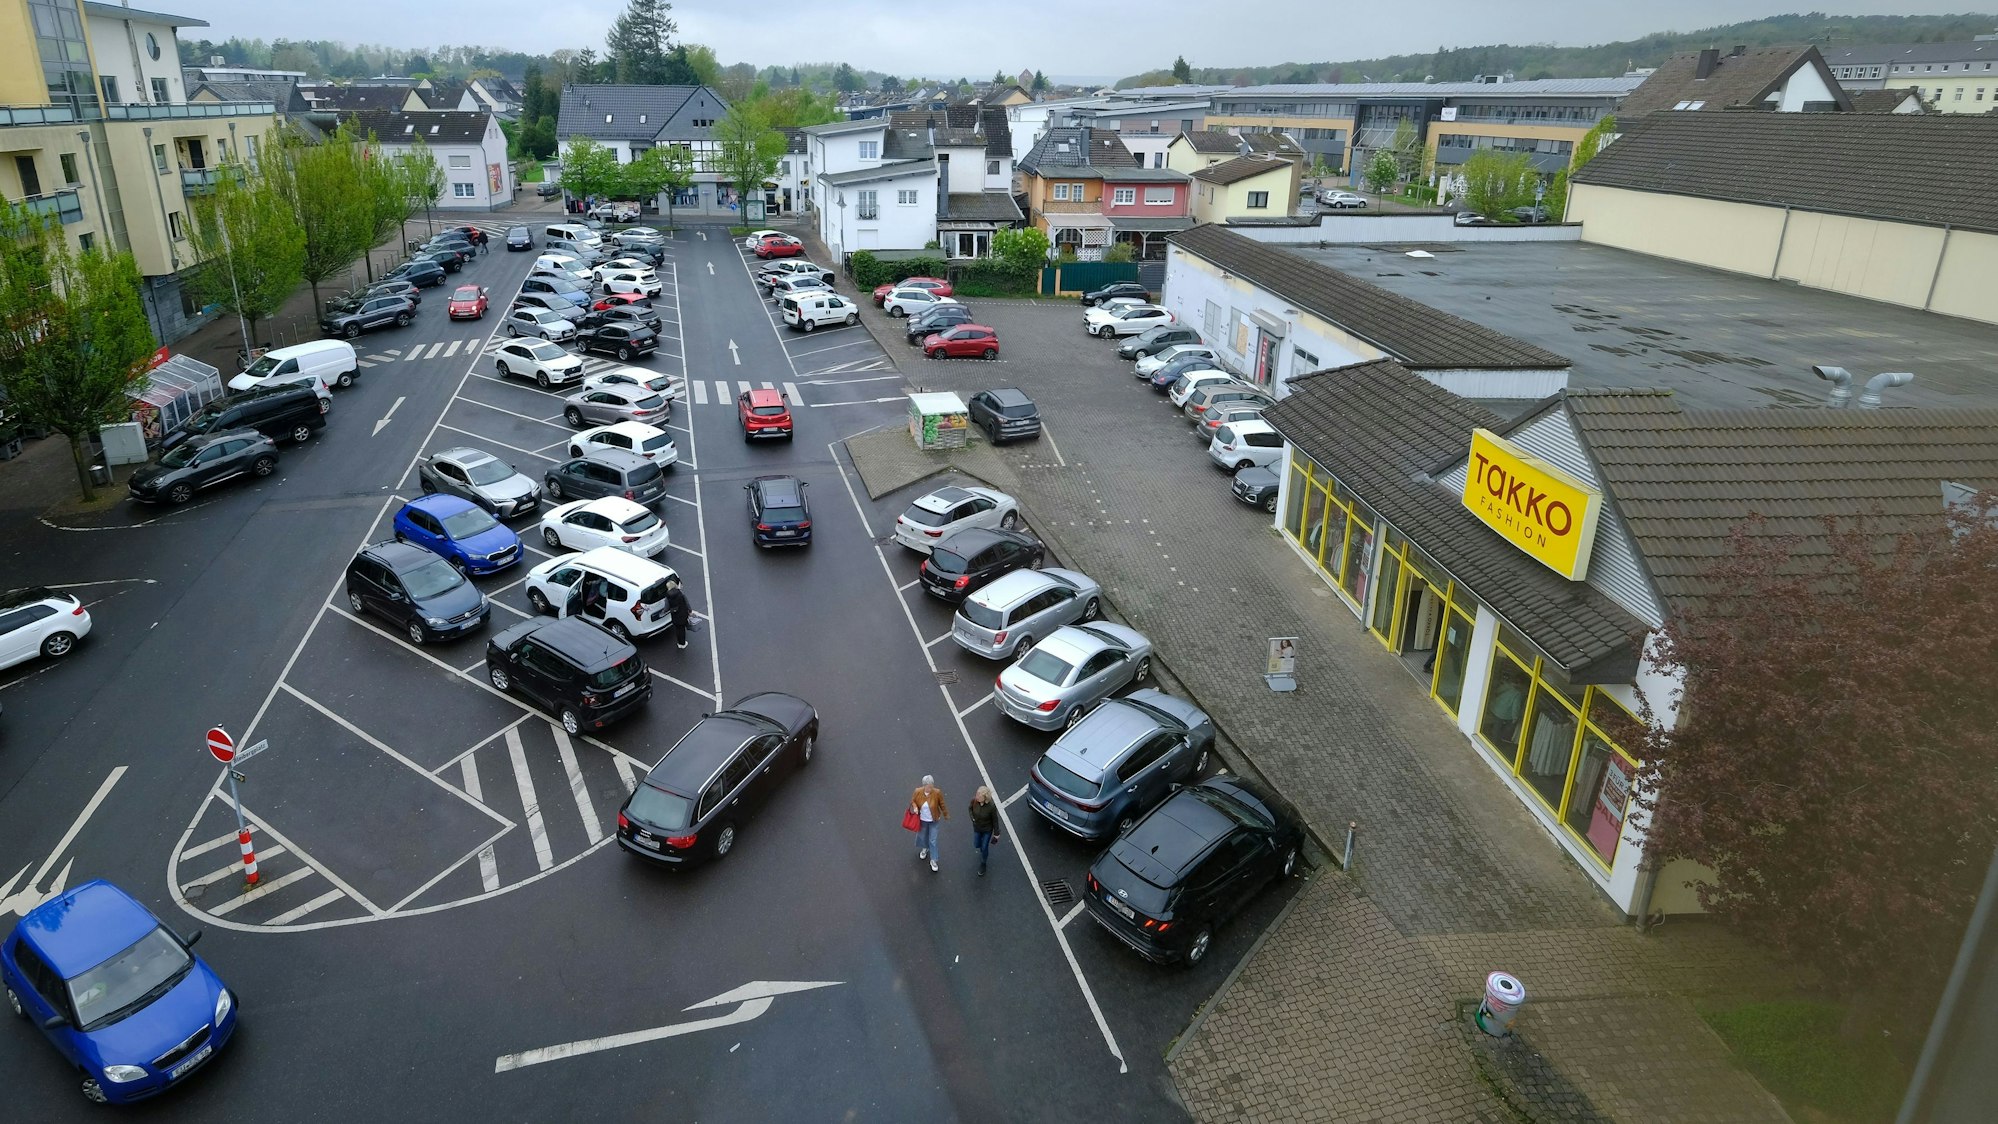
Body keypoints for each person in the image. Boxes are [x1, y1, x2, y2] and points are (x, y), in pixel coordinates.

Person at [909, 775, 947, 873]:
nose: (931, 789)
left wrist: (945, 814)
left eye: (932, 786)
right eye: (929, 787)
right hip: (922, 820)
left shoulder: (937, 793)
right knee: (923, 836)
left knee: (933, 840)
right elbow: (913, 801)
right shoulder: (918, 791)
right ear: (924, 785)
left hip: (934, 821)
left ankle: (934, 860)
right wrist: (915, 807)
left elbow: (942, 804)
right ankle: (925, 848)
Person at [968, 786, 1000, 877]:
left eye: (979, 795)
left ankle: (983, 863)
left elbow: (995, 820)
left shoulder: (991, 807)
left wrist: (996, 833)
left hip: (987, 829)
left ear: (985, 797)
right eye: (977, 794)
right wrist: (973, 819)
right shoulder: (974, 801)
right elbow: (970, 809)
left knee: (984, 847)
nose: (977, 796)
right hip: (977, 828)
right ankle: (982, 847)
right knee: (976, 844)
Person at [664, 577, 692, 649]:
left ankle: (679, 643)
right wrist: (690, 610)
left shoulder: (667, 596)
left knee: (677, 629)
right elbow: (687, 602)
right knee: (682, 629)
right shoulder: (680, 593)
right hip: (683, 613)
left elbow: (666, 608)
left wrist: (664, 611)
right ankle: (683, 643)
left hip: (675, 615)